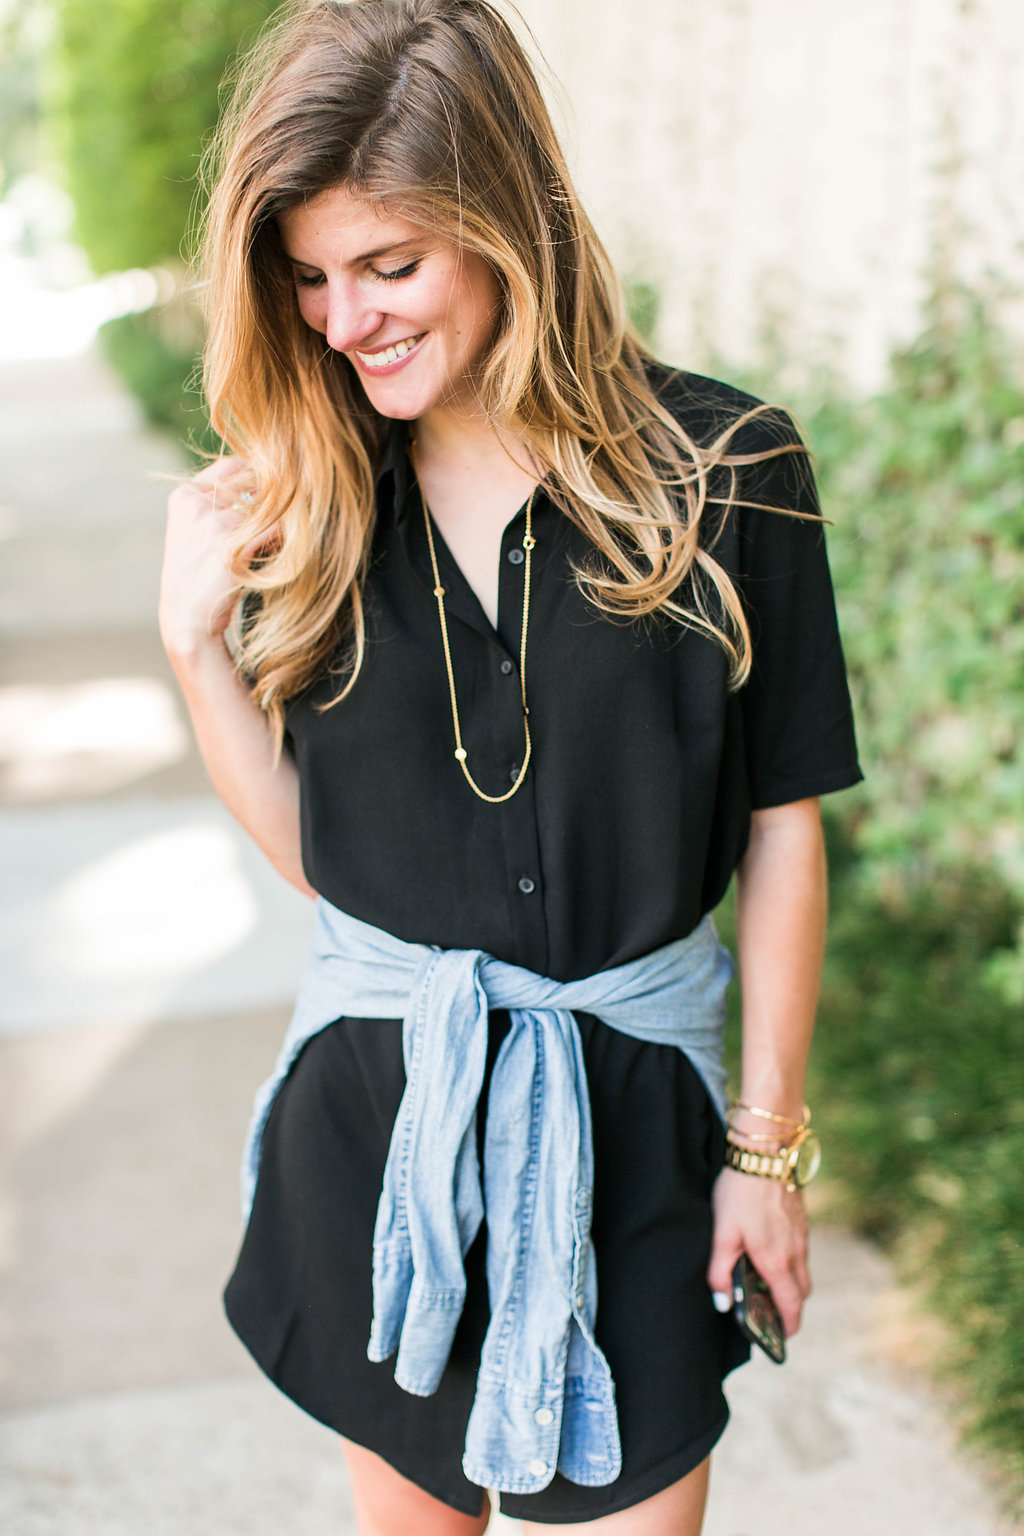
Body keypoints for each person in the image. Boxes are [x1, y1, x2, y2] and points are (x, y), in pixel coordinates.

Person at [158, 1, 862, 1531]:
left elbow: (784, 830)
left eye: (390, 266)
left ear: (509, 221)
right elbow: (337, 869)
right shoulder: (314, 496)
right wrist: (196, 652)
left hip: (642, 1155)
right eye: (311, 280)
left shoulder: (727, 471)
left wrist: (770, 1148)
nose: (348, 323)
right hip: (387, 1140)